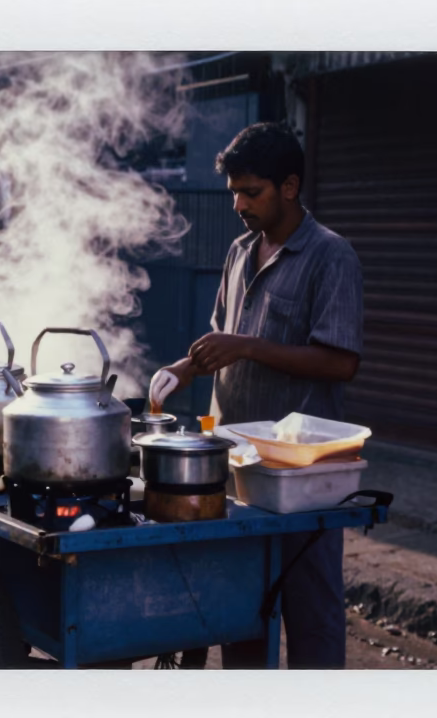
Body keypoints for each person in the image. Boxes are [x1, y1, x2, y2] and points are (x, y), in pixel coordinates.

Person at [149, 122, 363, 669]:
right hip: (237, 467)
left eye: (252, 192)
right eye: (235, 193)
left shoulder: (331, 256)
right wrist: (181, 369)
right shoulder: (240, 251)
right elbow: (224, 339)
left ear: (289, 186)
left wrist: (246, 346)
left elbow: (340, 362)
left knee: (311, 612)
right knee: (240, 608)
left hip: (302, 478)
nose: (240, 204)